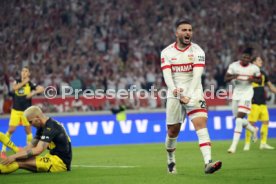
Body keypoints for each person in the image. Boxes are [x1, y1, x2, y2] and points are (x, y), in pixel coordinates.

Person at [161, 20, 222, 174]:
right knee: (173, 131)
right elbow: (167, 77)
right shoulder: (167, 52)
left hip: (194, 92)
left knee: (201, 125)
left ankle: (208, 162)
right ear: (177, 33)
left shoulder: (198, 51)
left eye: (190, 29)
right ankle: (170, 159)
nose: (188, 32)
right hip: (174, 93)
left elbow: (197, 76)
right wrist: (176, 92)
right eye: (184, 30)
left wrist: (188, 95)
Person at [0, 105, 72, 174]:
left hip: (60, 163)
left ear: (37, 118)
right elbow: (30, 147)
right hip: (51, 158)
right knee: (19, 159)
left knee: (19, 162)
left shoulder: (50, 127)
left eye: (30, 122)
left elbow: (38, 150)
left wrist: (13, 157)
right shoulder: (42, 127)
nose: (30, 124)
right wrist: (16, 154)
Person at [1, 66, 44, 158]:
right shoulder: (16, 81)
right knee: (11, 129)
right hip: (15, 110)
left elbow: (41, 88)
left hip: (26, 112)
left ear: (29, 74)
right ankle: (3, 150)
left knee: (28, 131)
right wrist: (24, 81)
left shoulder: (31, 84)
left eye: (26, 71)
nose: (24, 73)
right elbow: (15, 88)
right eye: (23, 71)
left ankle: (29, 151)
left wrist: (33, 93)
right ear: (21, 73)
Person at [224, 48, 261, 153]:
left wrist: (252, 79)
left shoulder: (254, 68)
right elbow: (225, 78)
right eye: (244, 57)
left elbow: (259, 80)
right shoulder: (233, 66)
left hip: (247, 94)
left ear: (250, 59)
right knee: (237, 120)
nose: (245, 59)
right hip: (236, 94)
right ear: (241, 56)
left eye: (248, 58)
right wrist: (233, 76)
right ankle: (253, 129)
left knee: (239, 119)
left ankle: (233, 146)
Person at [244, 56, 276, 151]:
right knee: (251, 123)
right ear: (253, 62)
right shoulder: (249, 73)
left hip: (262, 103)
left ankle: (263, 143)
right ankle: (247, 143)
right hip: (253, 103)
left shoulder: (263, 74)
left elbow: (270, 86)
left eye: (261, 60)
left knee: (266, 121)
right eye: (259, 60)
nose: (261, 61)